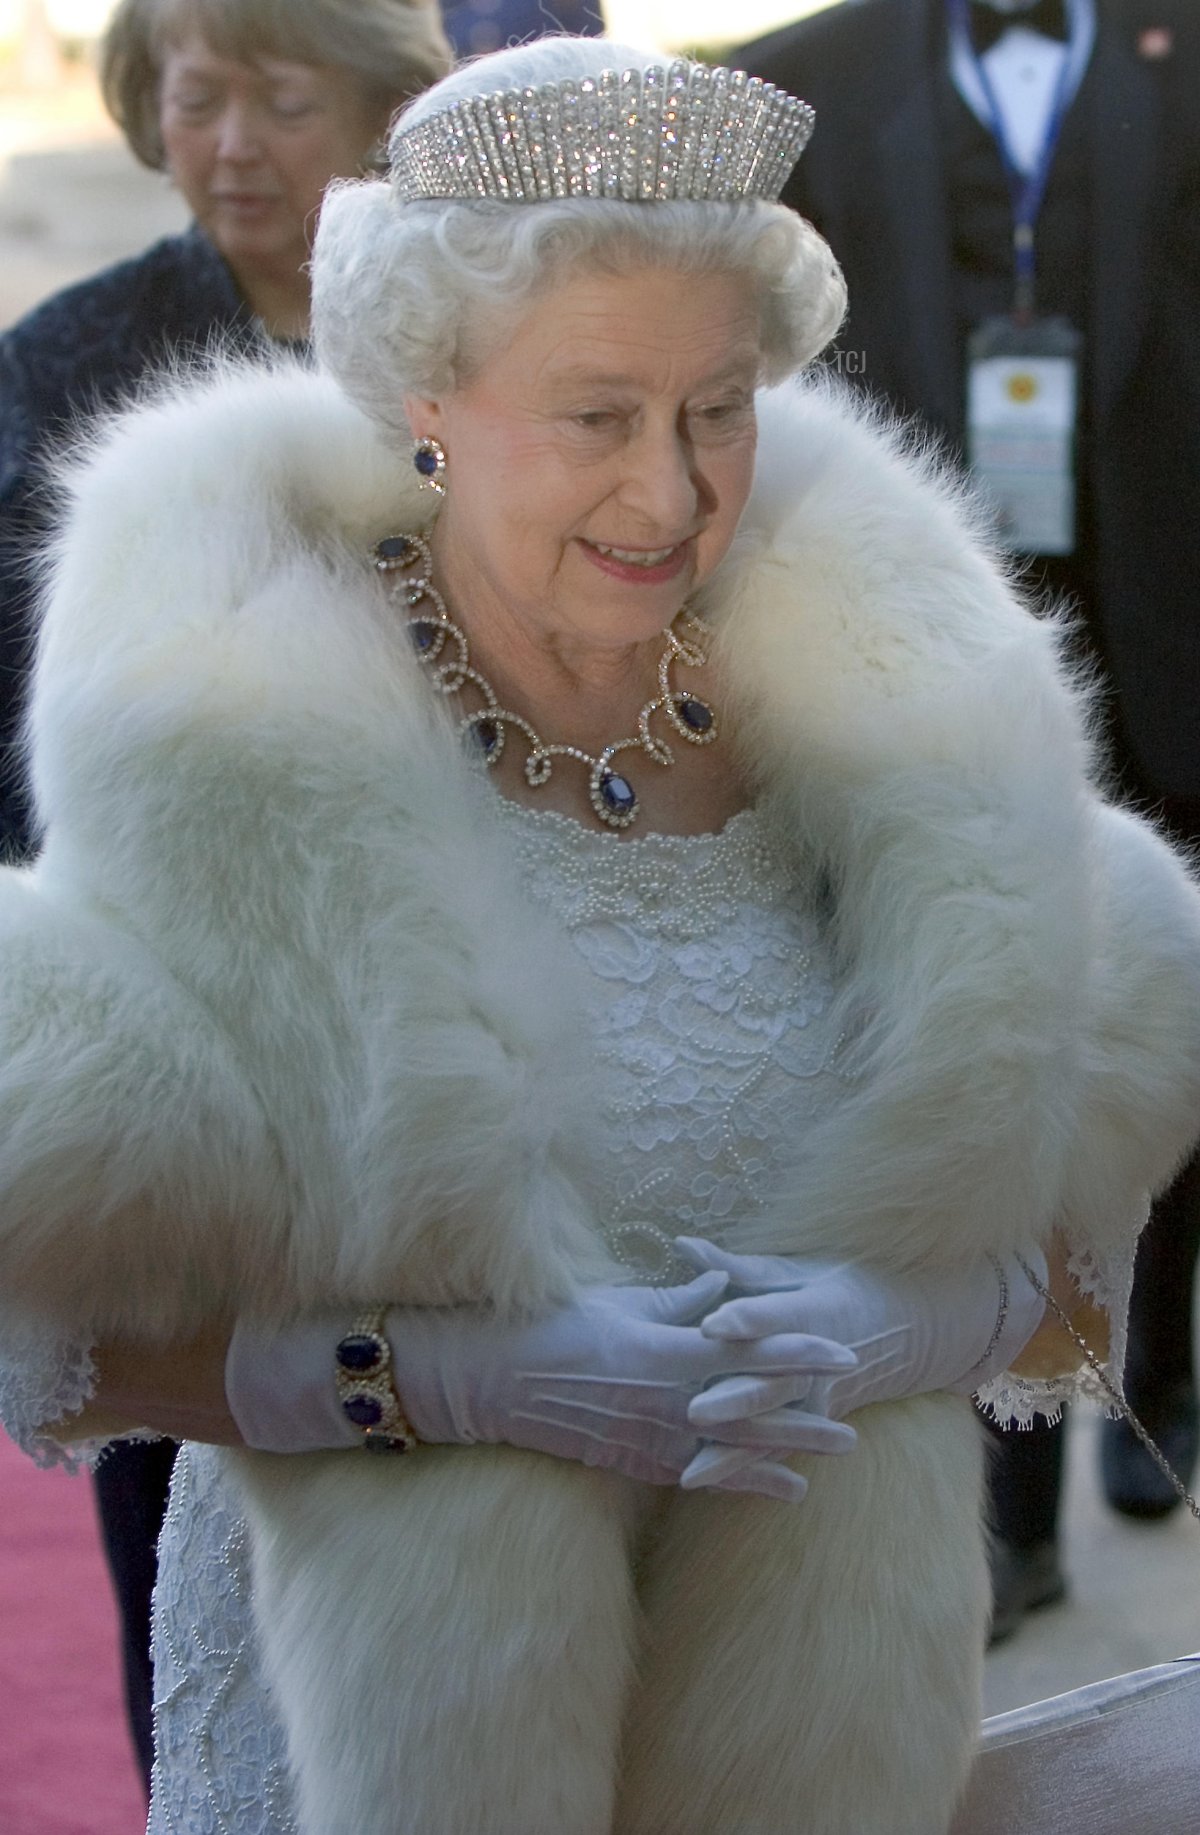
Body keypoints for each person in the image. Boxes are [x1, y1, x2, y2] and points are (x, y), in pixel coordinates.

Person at [1, 34, 1199, 1835]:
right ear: (426, 395)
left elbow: (1072, 1273)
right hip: (385, 1736)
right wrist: (448, 1377)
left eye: (721, 409)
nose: (671, 493)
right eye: (595, 417)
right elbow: (73, 1331)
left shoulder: (884, 720)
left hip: (808, 1735)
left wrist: (917, 1320)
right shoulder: (241, 735)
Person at [0, 0, 451, 1788]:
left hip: (428, 1016)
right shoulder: (70, 354)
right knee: (178, 1501)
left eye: (284, 96)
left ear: (382, 110)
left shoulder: (459, 347)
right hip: (171, 1021)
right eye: (198, 98)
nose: (236, 142)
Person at [738, 0, 1200, 1638]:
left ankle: (1162, 1359)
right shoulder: (787, 85)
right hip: (920, 676)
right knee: (972, 1050)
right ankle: (1010, 1517)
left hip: (1175, 647)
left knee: (1173, 1019)